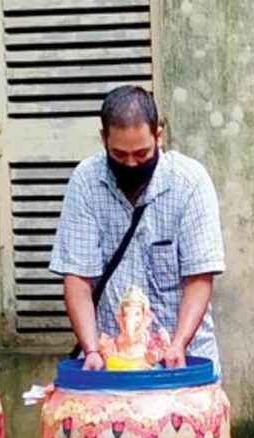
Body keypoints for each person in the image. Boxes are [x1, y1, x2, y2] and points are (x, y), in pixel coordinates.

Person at [50, 85, 226, 373]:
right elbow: (78, 280)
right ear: (103, 140)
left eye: (142, 154)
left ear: (158, 136)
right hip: (111, 363)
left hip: (182, 361)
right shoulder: (85, 182)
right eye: (119, 155)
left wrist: (178, 344)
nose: (131, 163)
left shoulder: (191, 182)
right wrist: (91, 349)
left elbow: (199, 277)